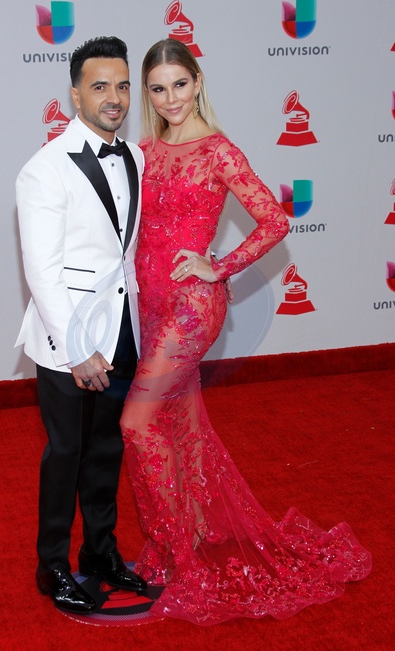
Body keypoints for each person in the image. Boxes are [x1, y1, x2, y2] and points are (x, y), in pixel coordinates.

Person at [120, 39, 372, 625]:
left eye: (179, 84)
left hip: (192, 307)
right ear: (147, 93)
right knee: (178, 419)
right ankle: (190, 531)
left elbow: (274, 219)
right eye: (157, 88)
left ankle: (178, 557)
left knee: (137, 422)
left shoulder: (218, 151)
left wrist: (220, 266)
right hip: (150, 303)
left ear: (197, 82)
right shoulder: (144, 151)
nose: (170, 98)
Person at [15, 36, 147, 615]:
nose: (113, 97)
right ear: (75, 94)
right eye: (99, 86)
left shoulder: (136, 156)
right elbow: (41, 271)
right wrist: (77, 348)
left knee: (106, 450)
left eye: (122, 85)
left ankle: (100, 552)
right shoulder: (44, 170)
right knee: (66, 453)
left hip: (122, 330)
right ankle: (51, 566)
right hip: (67, 341)